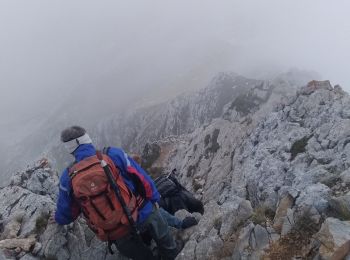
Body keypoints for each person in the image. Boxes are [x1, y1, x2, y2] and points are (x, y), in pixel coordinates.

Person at [53, 126, 179, 260]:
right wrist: (154, 199)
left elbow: (67, 214)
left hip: (116, 231)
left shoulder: (68, 177)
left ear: (70, 149)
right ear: (87, 140)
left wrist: (57, 218)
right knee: (167, 246)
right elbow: (143, 180)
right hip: (142, 212)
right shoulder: (112, 154)